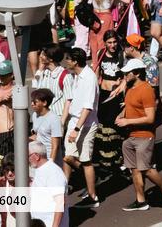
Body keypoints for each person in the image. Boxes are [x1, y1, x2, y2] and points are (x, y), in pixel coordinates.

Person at [115, 58, 162, 212]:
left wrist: (127, 121)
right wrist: (121, 115)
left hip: (144, 135)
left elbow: (150, 118)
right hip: (129, 136)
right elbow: (129, 106)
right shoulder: (129, 88)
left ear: (136, 73)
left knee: (146, 169)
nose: (125, 75)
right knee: (134, 169)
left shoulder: (146, 90)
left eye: (127, 73)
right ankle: (140, 200)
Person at [62, 47, 100, 208]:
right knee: (68, 157)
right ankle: (65, 188)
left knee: (85, 160)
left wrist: (76, 130)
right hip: (74, 122)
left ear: (75, 61)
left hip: (85, 124)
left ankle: (93, 196)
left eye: (68, 59)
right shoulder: (75, 76)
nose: (66, 62)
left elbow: (87, 107)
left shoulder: (89, 78)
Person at [28, 140, 68, 227]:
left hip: (49, 223)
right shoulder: (40, 170)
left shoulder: (53, 172)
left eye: (28, 156)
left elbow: (60, 202)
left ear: (37, 156)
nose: (27, 160)